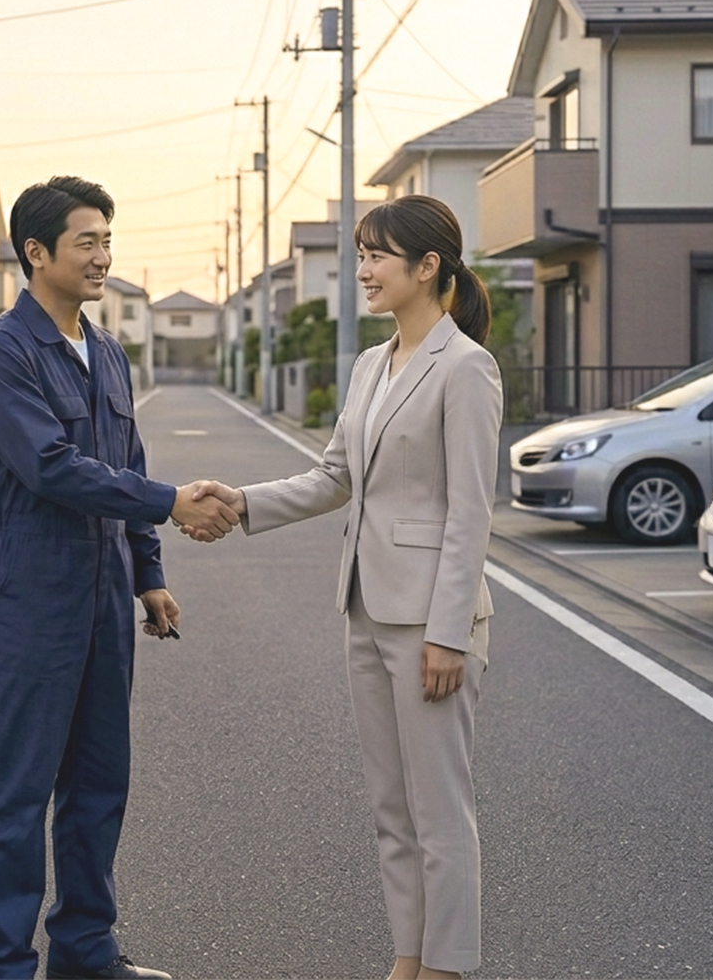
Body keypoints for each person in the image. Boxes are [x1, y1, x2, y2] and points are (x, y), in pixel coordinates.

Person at [186, 194, 501, 979]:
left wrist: (447, 631)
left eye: (377, 255)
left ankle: (447, 966)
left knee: (440, 811)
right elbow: (335, 477)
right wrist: (243, 502)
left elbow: (471, 513)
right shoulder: (371, 363)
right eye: (360, 254)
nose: (362, 270)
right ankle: (408, 957)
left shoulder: (466, 367)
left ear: (429, 267)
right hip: (364, 607)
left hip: (430, 619)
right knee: (392, 809)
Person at [0, 176, 239, 980]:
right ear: (36, 252)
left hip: (107, 591)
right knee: (16, 794)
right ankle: (5, 966)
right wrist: (171, 503)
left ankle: (85, 953)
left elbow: (127, 461)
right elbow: (52, 467)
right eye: (87, 241)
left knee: (97, 783)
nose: (103, 257)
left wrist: (148, 571)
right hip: (30, 588)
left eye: (108, 240)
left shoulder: (107, 351)